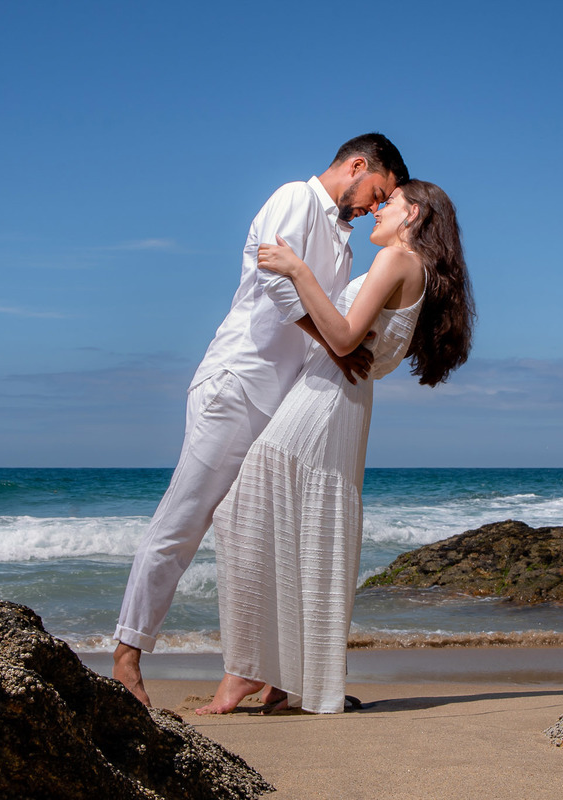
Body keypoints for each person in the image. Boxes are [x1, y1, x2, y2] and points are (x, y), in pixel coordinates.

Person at [113, 134, 409, 705]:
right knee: (184, 520)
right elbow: (276, 282)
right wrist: (338, 344)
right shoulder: (294, 198)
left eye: (385, 200)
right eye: (379, 190)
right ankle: (127, 655)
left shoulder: (345, 244)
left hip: (282, 402)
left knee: (266, 533)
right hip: (237, 385)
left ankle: (273, 677)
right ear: (356, 165)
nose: (376, 205)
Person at [197, 180, 474, 714]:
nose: (376, 212)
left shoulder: (399, 259)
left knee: (244, 512)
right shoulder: (407, 265)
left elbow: (345, 339)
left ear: (412, 213)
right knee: (294, 527)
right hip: (336, 398)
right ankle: (281, 679)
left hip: (325, 401)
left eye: (387, 204)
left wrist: (297, 268)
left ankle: (247, 673)